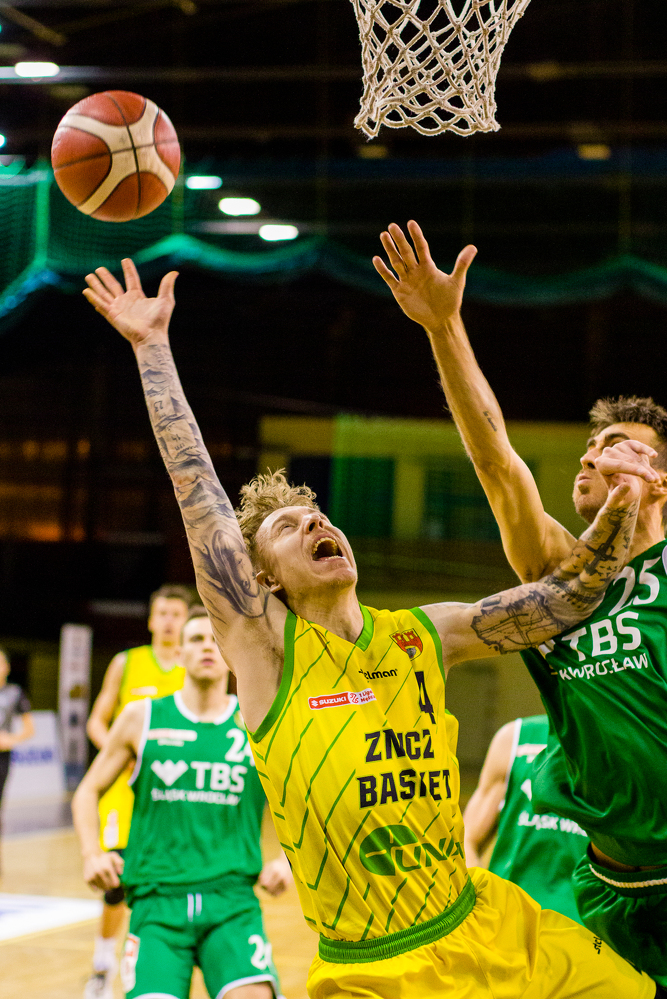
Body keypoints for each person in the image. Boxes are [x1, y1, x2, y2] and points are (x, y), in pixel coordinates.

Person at [80, 257, 661, 999]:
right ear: (262, 580)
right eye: (288, 528)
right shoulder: (265, 651)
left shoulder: (426, 633)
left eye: (319, 515)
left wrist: (625, 501)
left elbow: (571, 595)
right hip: (372, 963)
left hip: (483, 923)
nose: (315, 523)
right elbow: (195, 486)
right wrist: (150, 347)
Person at [373, 219, 667, 984]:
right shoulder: (558, 576)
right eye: (587, 448)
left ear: (660, 480)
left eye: (614, 446)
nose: (589, 456)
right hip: (608, 886)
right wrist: (442, 327)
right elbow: (495, 459)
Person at [73, 606, 290, 999]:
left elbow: (306, 800)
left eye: (215, 639)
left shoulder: (256, 722)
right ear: (179, 653)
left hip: (232, 904)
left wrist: (289, 862)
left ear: (230, 652)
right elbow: (87, 791)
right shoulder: (142, 718)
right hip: (157, 905)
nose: (206, 646)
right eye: (196, 639)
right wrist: (92, 853)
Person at [83, 583, 190, 999]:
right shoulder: (126, 662)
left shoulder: (197, 664)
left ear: (186, 620)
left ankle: (154, 963)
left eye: (176, 615)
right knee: (116, 882)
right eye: (162, 613)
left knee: (166, 882)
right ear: (150, 620)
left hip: (177, 793)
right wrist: (120, 750)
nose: (169, 622)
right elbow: (97, 721)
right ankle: (102, 965)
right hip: (125, 792)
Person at [463, 714, 587, 923]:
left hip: (583, 925)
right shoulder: (514, 737)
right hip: (506, 918)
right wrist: (478, 904)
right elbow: (466, 838)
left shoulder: (622, 744)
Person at [0, 647, 34, 861]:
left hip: (2, 758)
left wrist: (10, 740)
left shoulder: (14, 693)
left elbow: (29, 729)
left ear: (7, 667)